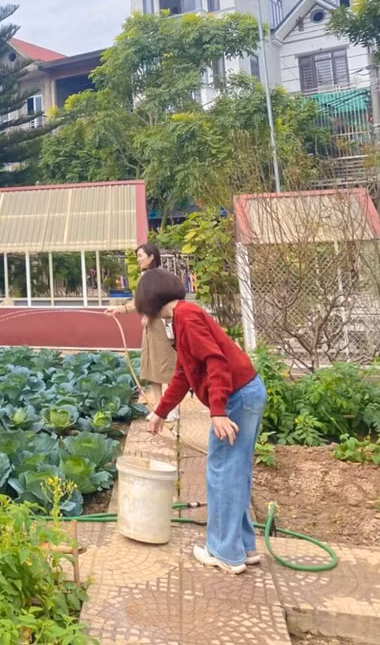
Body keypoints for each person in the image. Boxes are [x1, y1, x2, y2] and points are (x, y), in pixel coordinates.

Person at [136, 268, 267, 575]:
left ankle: (224, 552)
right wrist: (160, 412)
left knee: (223, 471)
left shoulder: (187, 317)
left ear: (149, 300)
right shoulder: (181, 318)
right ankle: (242, 547)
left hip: (237, 396)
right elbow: (184, 373)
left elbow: (216, 361)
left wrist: (218, 411)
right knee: (234, 469)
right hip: (244, 393)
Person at [106, 244, 180, 421]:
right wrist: (121, 309)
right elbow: (139, 301)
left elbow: (167, 300)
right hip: (151, 330)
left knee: (168, 365)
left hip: (164, 326)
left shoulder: (163, 276)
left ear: (152, 256)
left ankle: (173, 408)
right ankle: (158, 407)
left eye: (140, 256)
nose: (138, 259)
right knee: (151, 366)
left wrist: (150, 313)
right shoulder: (143, 277)